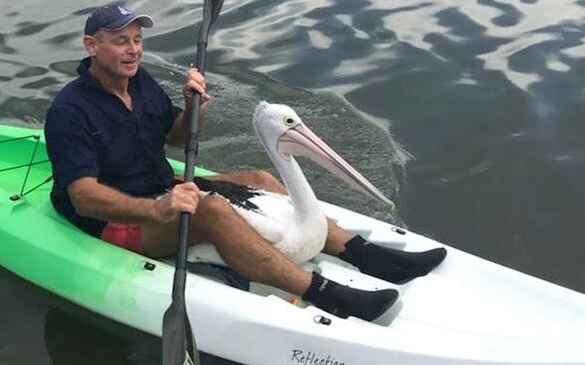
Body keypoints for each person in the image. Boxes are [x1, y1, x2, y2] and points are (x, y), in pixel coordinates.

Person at [45, 4, 447, 322]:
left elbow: (176, 137)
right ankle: (327, 295)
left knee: (261, 179)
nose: (133, 49)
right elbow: (83, 197)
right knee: (213, 210)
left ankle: (364, 254)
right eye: (120, 41)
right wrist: (157, 208)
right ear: (91, 45)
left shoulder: (141, 81)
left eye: (136, 39)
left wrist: (192, 108)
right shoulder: (70, 110)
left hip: (164, 188)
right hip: (117, 221)